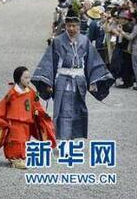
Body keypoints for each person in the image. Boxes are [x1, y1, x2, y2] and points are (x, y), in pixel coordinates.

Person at [31, 9, 114, 140]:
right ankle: (63, 137)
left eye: (74, 25)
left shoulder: (85, 41)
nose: (71, 28)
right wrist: (48, 82)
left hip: (79, 80)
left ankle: (74, 136)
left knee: (78, 108)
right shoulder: (57, 41)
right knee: (62, 110)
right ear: (65, 25)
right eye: (69, 25)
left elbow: (92, 61)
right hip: (62, 80)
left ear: (79, 26)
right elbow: (49, 62)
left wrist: (92, 81)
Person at [0, 66, 56, 170]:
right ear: (19, 78)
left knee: (24, 140)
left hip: (27, 122)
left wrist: (41, 114)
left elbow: (36, 105)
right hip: (14, 122)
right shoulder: (12, 93)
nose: (28, 80)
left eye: (29, 77)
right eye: (26, 78)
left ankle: (21, 157)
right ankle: (14, 158)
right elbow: (3, 106)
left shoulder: (31, 92)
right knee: (15, 140)